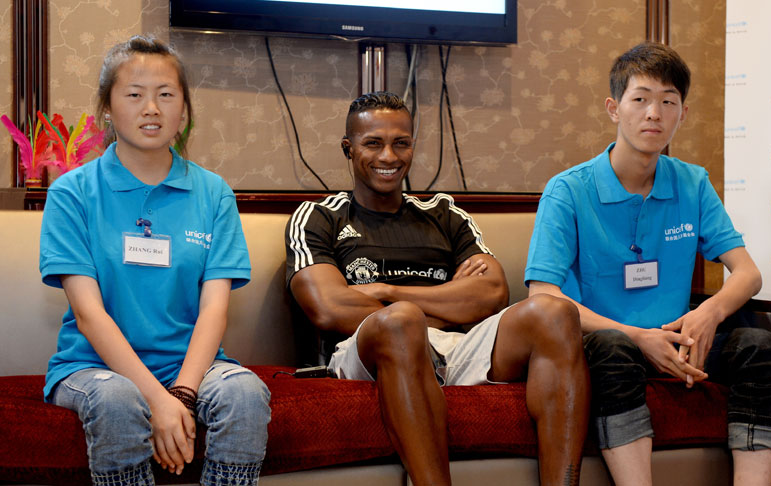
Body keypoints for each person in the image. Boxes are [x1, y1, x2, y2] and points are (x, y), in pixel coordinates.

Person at [285, 92, 589, 486]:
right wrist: (440, 303)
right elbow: (327, 308)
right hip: (361, 353)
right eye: (373, 143)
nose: (389, 156)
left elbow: (493, 292)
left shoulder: (444, 213)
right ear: (348, 148)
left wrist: (386, 292)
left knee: (555, 311)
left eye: (402, 143)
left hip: (452, 348)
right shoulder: (318, 216)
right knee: (402, 323)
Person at [525, 42, 771, 486]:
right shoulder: (568, 191)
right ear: (614, 108)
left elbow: (748, 273)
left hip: (678, 340)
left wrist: (707, 314)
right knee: (614, 349)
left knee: (761, 348)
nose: (654, 114)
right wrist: (638, 337)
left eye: (668, 102)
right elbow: (543, 296)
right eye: (641, 99)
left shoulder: (692, 181)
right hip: (604, 342)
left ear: (682, 114)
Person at [40, 36, 271, 486]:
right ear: (107, 107)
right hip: (93, 367)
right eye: (134, 94)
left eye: (166, 94)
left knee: (244, 392)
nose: (152, 108)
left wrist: (182, 393)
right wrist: (158, 400)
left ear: (184, 110)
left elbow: (214, 309)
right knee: (117, 400)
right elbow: (89, 316)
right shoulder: (72, 193)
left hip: (190, 366)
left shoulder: (212, 192)